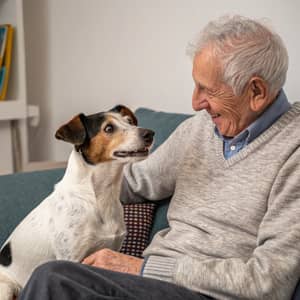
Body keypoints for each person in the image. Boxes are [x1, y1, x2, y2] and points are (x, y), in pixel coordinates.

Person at [19, 15, 300, 300]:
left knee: (54, 280)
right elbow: (130, 183)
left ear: (256, 91)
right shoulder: (198, 129)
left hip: (204, 293)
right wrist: (70, 197)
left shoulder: (294, 151)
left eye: (208, 89)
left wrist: (146, 267)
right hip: (148, 284)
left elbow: (269, 282)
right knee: (52, 274)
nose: (195, 102)